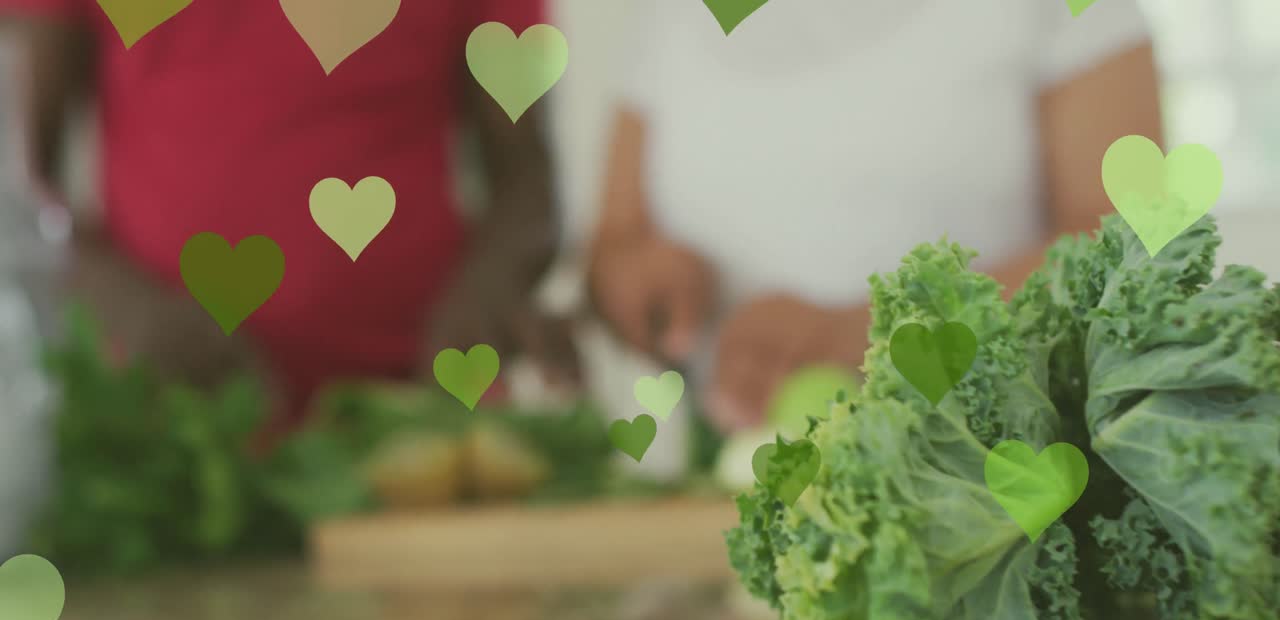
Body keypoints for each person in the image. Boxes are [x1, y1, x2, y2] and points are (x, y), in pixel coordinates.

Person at [588, 0, 1163, 433]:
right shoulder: (669, 15)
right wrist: (648, 285)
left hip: (993, 487)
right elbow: (615, 243)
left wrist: (869, 334)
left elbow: (1127, 244)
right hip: (730, 483)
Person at [0, 0, 577, 429]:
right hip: (169, 432)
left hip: (419, 420)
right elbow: (19, 188)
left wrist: (484, 298)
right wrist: (120, 303)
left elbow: (531, 187)